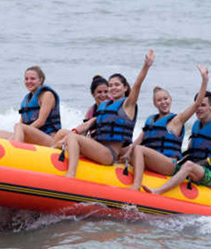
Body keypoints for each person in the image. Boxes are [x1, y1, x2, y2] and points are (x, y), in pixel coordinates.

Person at [54, 50, 155, 178]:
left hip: (109, 154)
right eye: (110, 85)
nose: (113, 88)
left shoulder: (128, 105)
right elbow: (86, 126)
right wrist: (66, 137)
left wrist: (146, 66)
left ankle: (71, 174)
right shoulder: (105, 107)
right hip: (98, 147)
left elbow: (137, 85)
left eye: (117, 85)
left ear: (125, 88)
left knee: (74, 138)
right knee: (64, 133)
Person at [123, 65, 209, 191]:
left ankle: (136, 186)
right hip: (153, 161)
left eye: (165, 99)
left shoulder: (176, 120)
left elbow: (196, 104)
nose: (163, 102)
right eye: (159, 100)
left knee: (139, 150)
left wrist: (204, 80)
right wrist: (124, 154)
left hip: (169, 164)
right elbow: (137, 142)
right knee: (129, 149)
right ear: (154, 103)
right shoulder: (151, 120)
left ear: (170, 100)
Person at [143, 91, 211, 194]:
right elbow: (190, 151)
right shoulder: (196, 125)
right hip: (194, 169)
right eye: (198, 105)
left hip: (210, 174)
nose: (199, 109)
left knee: (189, 165)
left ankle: (158, 192)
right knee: (175, 165)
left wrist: (197, 165)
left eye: (203, 105)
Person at [0, 66, 61, 146]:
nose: (29, 81)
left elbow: (41, 122)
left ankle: (15, 152)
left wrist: (21, 131)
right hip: (32, 135)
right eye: (26, 79)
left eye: (32, 79)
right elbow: (22, 123)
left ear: (40, 80)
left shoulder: (47, 95)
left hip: (50, 138)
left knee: (19, 127)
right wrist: (16, 135)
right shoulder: (27, 99)